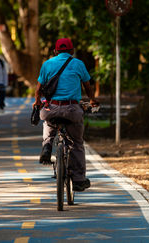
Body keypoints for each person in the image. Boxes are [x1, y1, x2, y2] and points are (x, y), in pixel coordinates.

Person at [33, 38, 98, 192]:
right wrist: (93, 100)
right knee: (76, 143)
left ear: (55, 51)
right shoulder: (78, 64)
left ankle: (47, 145)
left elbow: (38, 90)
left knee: (48, 122)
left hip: (52, 108)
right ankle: (78, 180)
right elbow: (87, 86)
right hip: (72, 110)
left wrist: (37, 102)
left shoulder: (47, 64)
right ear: (72, 51)